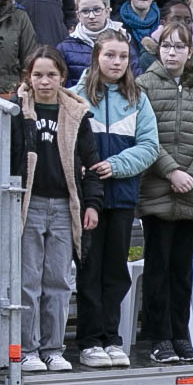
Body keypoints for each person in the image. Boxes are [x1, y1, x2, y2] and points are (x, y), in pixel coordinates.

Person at [72, 29, 160, 366]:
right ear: (97, 56)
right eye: (110, 55)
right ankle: (90, 339)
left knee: (115, 270)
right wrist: (86, 167)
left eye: (122, 56)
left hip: (122, 196)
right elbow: (68, 141)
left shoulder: (138, 97)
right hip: (86, 199)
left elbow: (149, 146)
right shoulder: (76, 96)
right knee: (89, 269)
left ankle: (111, 337)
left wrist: (116, 165)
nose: (116, 62)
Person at [136, 22, 193, 364]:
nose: (172, 52)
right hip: (157, 188)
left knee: (182, 267)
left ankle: (181, 335)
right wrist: (171, 171)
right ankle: (159, 337)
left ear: (191, 52)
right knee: (158, 265)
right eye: (167, 46)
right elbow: (145, 135)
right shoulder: (143, 85)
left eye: (179, 47)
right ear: (158, 50)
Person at [12, 50, 85, 368]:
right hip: (32, 203)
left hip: (63, 204)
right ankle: (27, 349)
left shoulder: (76, 112)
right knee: (28, 281)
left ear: (62, 78)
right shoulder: (15, 110)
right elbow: (2, 158)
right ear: (28, 76)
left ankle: (53, 349)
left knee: (58, 281)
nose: (44, 81)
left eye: (51, 75)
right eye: (38, 74)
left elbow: (89, 160)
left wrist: (91, 203)